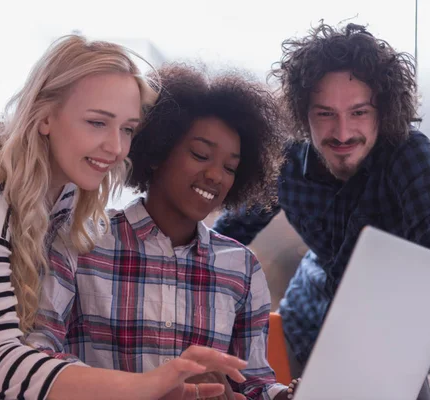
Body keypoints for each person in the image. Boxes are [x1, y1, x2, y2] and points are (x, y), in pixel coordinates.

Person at [0, 36, 248, 400]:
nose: (116, 148)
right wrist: (147, 384)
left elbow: (12, 350)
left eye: (127, 129)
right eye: (97, 123)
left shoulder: (66, 191)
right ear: (46, 116)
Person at [213, 22, 430, 400]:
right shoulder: (287, 161)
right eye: (325, 114)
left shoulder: (407, 153)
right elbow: (224, 243)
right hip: (309, 325)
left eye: (359, 112)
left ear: (383, 110)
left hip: (390, 335)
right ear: (302, 114)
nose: (342, 133)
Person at [27, 63, 290, 399]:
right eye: (200, 154)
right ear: (156, 152)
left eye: (230, 168)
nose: (215, 175)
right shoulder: (80, 238)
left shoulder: (242, 267)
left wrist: (286, 395)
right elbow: (39, 351)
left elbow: (253, 383)